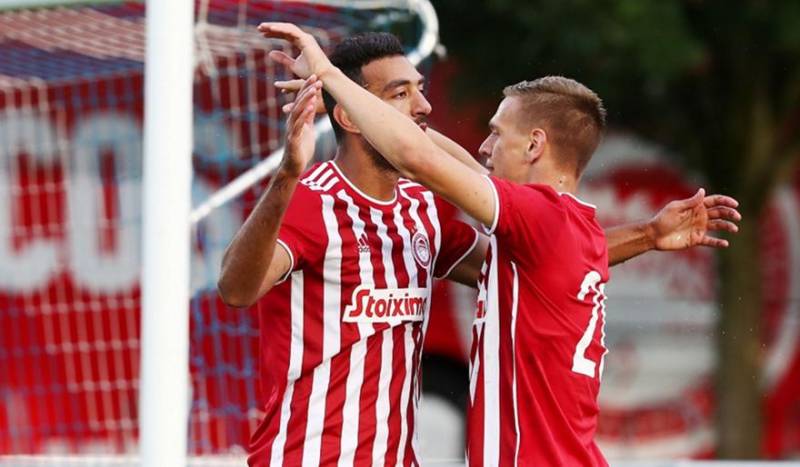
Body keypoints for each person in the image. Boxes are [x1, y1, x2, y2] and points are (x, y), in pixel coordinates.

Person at [255, 24, 740, 466]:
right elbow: (446, 159)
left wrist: (329, 76)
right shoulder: (572, 231)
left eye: (495, 134)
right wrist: (649, 235)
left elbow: (418, 156)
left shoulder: (538, 217)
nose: (484, 149)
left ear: (533, 145)